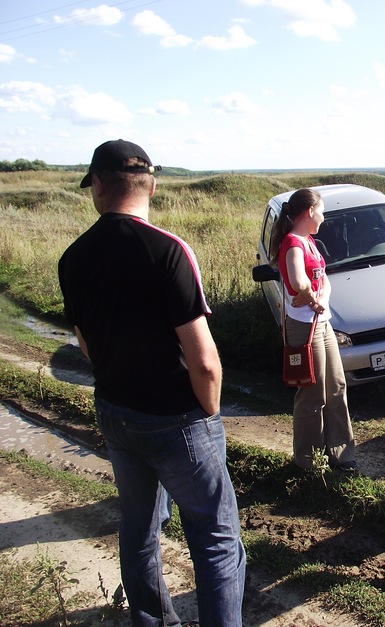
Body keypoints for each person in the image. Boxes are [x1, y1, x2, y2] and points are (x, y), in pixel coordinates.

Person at [58, 140, 246, 626]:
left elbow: (85, 347)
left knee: (139, 528)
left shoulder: (72, 259)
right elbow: (203, 360)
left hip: (116, 412)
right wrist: (208, 415)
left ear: (98, 185)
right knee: (216, 540)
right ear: (152, 185)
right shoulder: (169, 250)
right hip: (178, 419)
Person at [269, 188, 357, 472]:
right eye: (321, 211)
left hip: (321, 323)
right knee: (312, 394)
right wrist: (309, 296)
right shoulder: (293, 243)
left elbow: (324, 280)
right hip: (304, 327)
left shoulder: (308, 240)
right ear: (309, 212)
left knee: (337, 386)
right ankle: (308, 461)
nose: (323, 216)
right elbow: (296, 281)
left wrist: (320, 300)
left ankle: (342, 455)